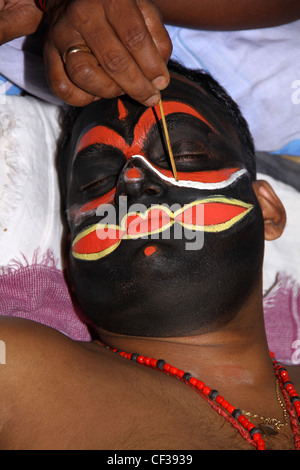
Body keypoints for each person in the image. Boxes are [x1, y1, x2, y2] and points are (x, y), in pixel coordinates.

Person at [0, 60, 298, 451]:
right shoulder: (16, 373)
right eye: (98, 180)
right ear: (69, 251)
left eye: (185, 153)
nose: (134, 179)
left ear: (268, 211)